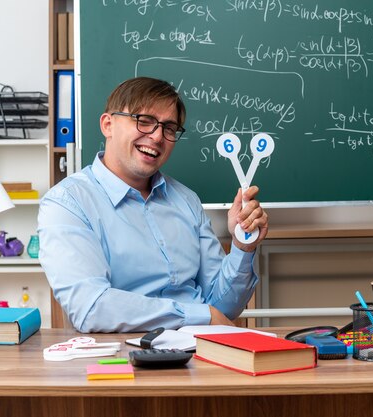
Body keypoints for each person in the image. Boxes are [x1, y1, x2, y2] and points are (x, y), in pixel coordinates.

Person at [38, 77, 268, 333]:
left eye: (169, 128)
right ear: (108, 125)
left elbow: (224, 308)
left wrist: (241, 246)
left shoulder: (187, 200)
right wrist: (198, 315)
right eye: (144, 121)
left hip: (200, 351)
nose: (158, 136)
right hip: (123, 357)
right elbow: (91, 307)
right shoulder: (67, 203)